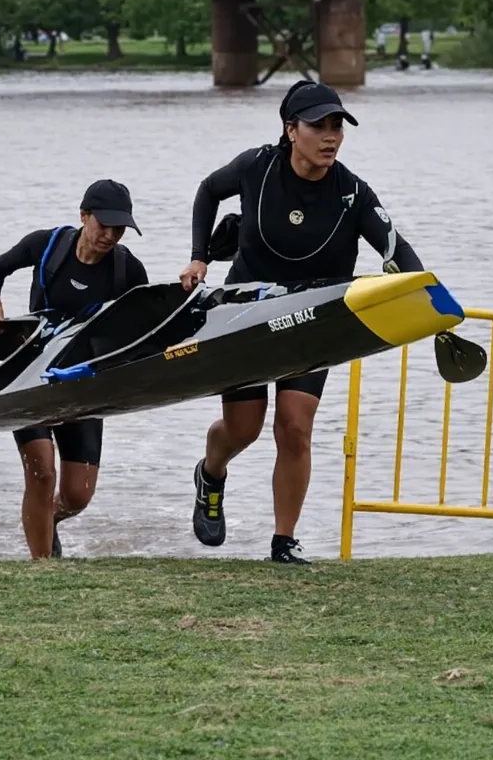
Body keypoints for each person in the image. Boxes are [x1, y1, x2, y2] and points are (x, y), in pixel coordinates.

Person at [179, 80, 424, 565]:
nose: (331, 136)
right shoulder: (257, 167)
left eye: (337, 126)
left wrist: (428, 298)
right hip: (246, 314)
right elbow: (208, 191)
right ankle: (211, 472)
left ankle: (283, 542)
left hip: (310, 323)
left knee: (295, 427)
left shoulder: (352, 193)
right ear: (291, 130)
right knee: (243, 429)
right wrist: (199, 256)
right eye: (319, 126)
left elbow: (398, 251)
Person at [0, 179, 148, 560]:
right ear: (83, 215)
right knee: (42, 473)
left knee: (77, 494)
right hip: (30, 379)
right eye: (104, 225)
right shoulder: (49, 246)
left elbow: (145, 324)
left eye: (119, 229)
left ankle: (46, 521)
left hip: (83, 386)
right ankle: (42, 567)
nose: (110, 236)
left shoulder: (127, 270)